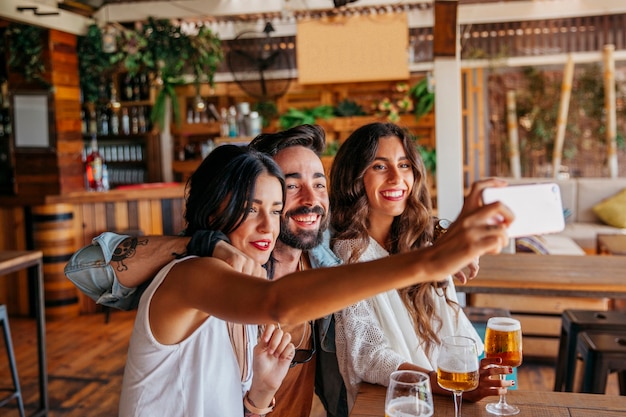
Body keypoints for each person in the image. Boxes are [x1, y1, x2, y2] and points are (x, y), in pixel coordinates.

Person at [66, 125, 348, 417]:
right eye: (291, 185)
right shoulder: (194, 272)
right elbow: (86, 267)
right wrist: (205, 242)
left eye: (319, 184)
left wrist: (261, 394)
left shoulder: (317, 259)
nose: (311, 200)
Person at [328, 122, 514, 410]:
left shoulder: (423, 241)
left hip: (443, 397)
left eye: (404, 165)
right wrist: (442, 382)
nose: (396, 178)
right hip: (390, 402)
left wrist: (472, 370)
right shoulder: (346, 255)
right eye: (379, 167)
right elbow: (368, 354)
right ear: (354, 177)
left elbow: (449, 328)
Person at [119, 145, 293, 416]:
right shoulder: (192, 275)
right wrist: (384, 270)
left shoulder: (241, 291)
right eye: (250, 209)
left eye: (275, 211)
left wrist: (261, 392)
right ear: (213, 211)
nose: (268, 228)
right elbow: (279, 302)